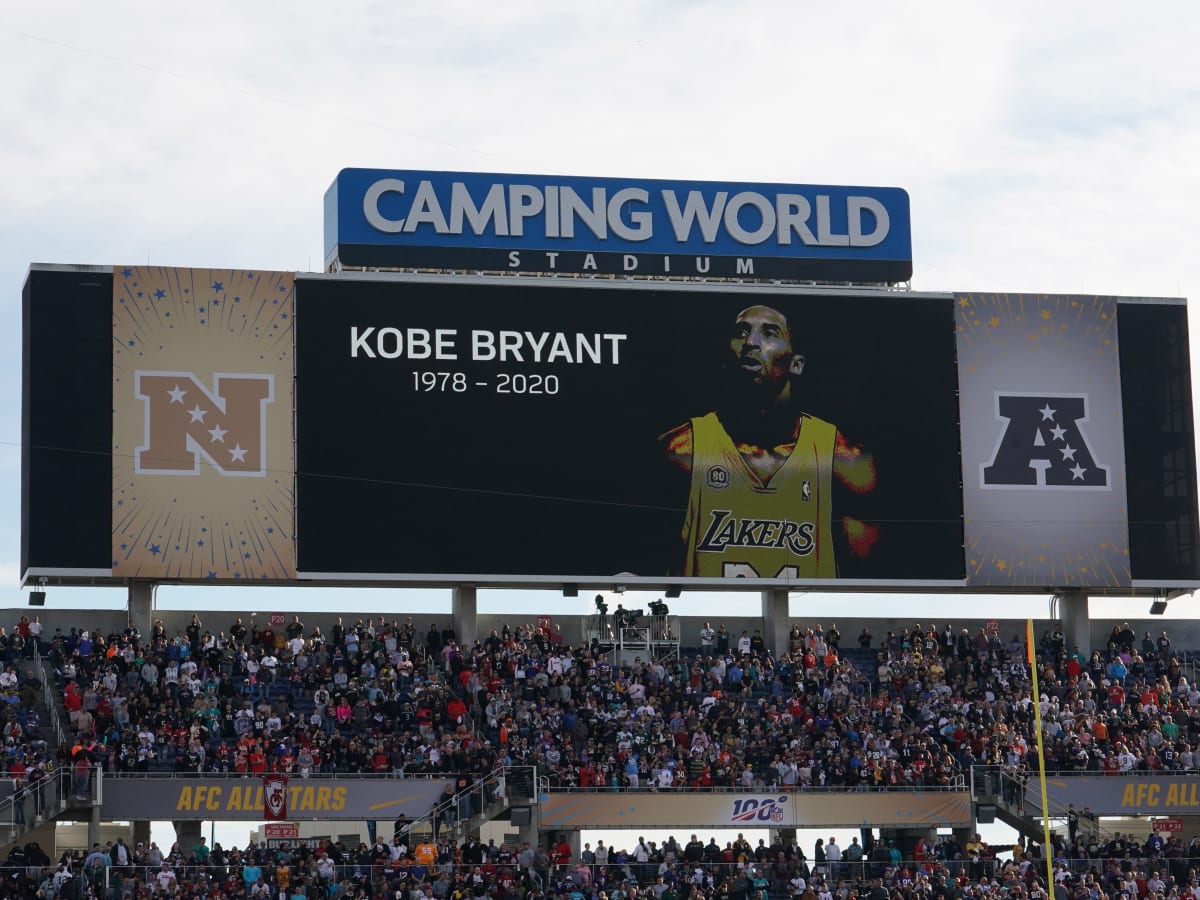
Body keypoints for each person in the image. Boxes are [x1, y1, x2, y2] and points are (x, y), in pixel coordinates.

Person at [660, 304, 877, 579]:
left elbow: (868, 578)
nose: (750, 342)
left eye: (769, 333)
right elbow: (643, 570)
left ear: (796, 364)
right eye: (741, 333)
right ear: (726, 357)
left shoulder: (842, 459)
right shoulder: (680, 452)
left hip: (800, 619)